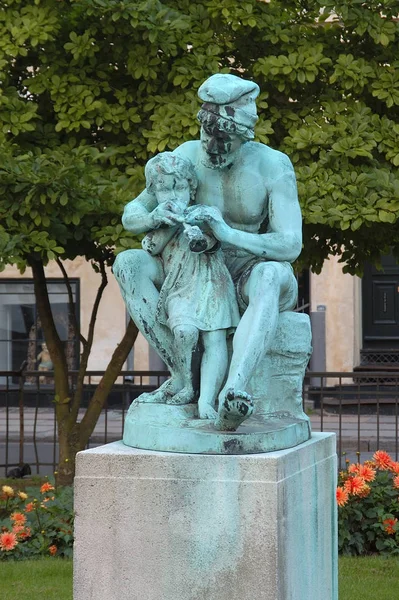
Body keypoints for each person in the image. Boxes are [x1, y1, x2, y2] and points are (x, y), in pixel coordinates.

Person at [113, 73, 302, 430]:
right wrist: (154, 215)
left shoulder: (273, 165)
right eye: (207, 135)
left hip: (251, 270)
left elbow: (290, 244)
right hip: (195, 271)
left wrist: (227, 233)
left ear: (244, 136)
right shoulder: (183, 156)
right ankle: (182, 376)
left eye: (224, 140)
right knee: (128, 263)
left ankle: (234, 391)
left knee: (271, 273)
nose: (213, 148)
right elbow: (131, 213)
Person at [139, 152, 240, 418]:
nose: (174, 196)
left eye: (180, 187)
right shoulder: (163, 221)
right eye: (164, 190)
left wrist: (199, 236)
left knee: (215, 337)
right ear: (154, 192)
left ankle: (207, 400)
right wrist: (165, 222)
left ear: (191, 188)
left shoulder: (205, 213)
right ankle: (186, 383)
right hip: (179, 285)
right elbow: (151, 245)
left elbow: (213, 241)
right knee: (184, 332)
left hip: (211, 282)